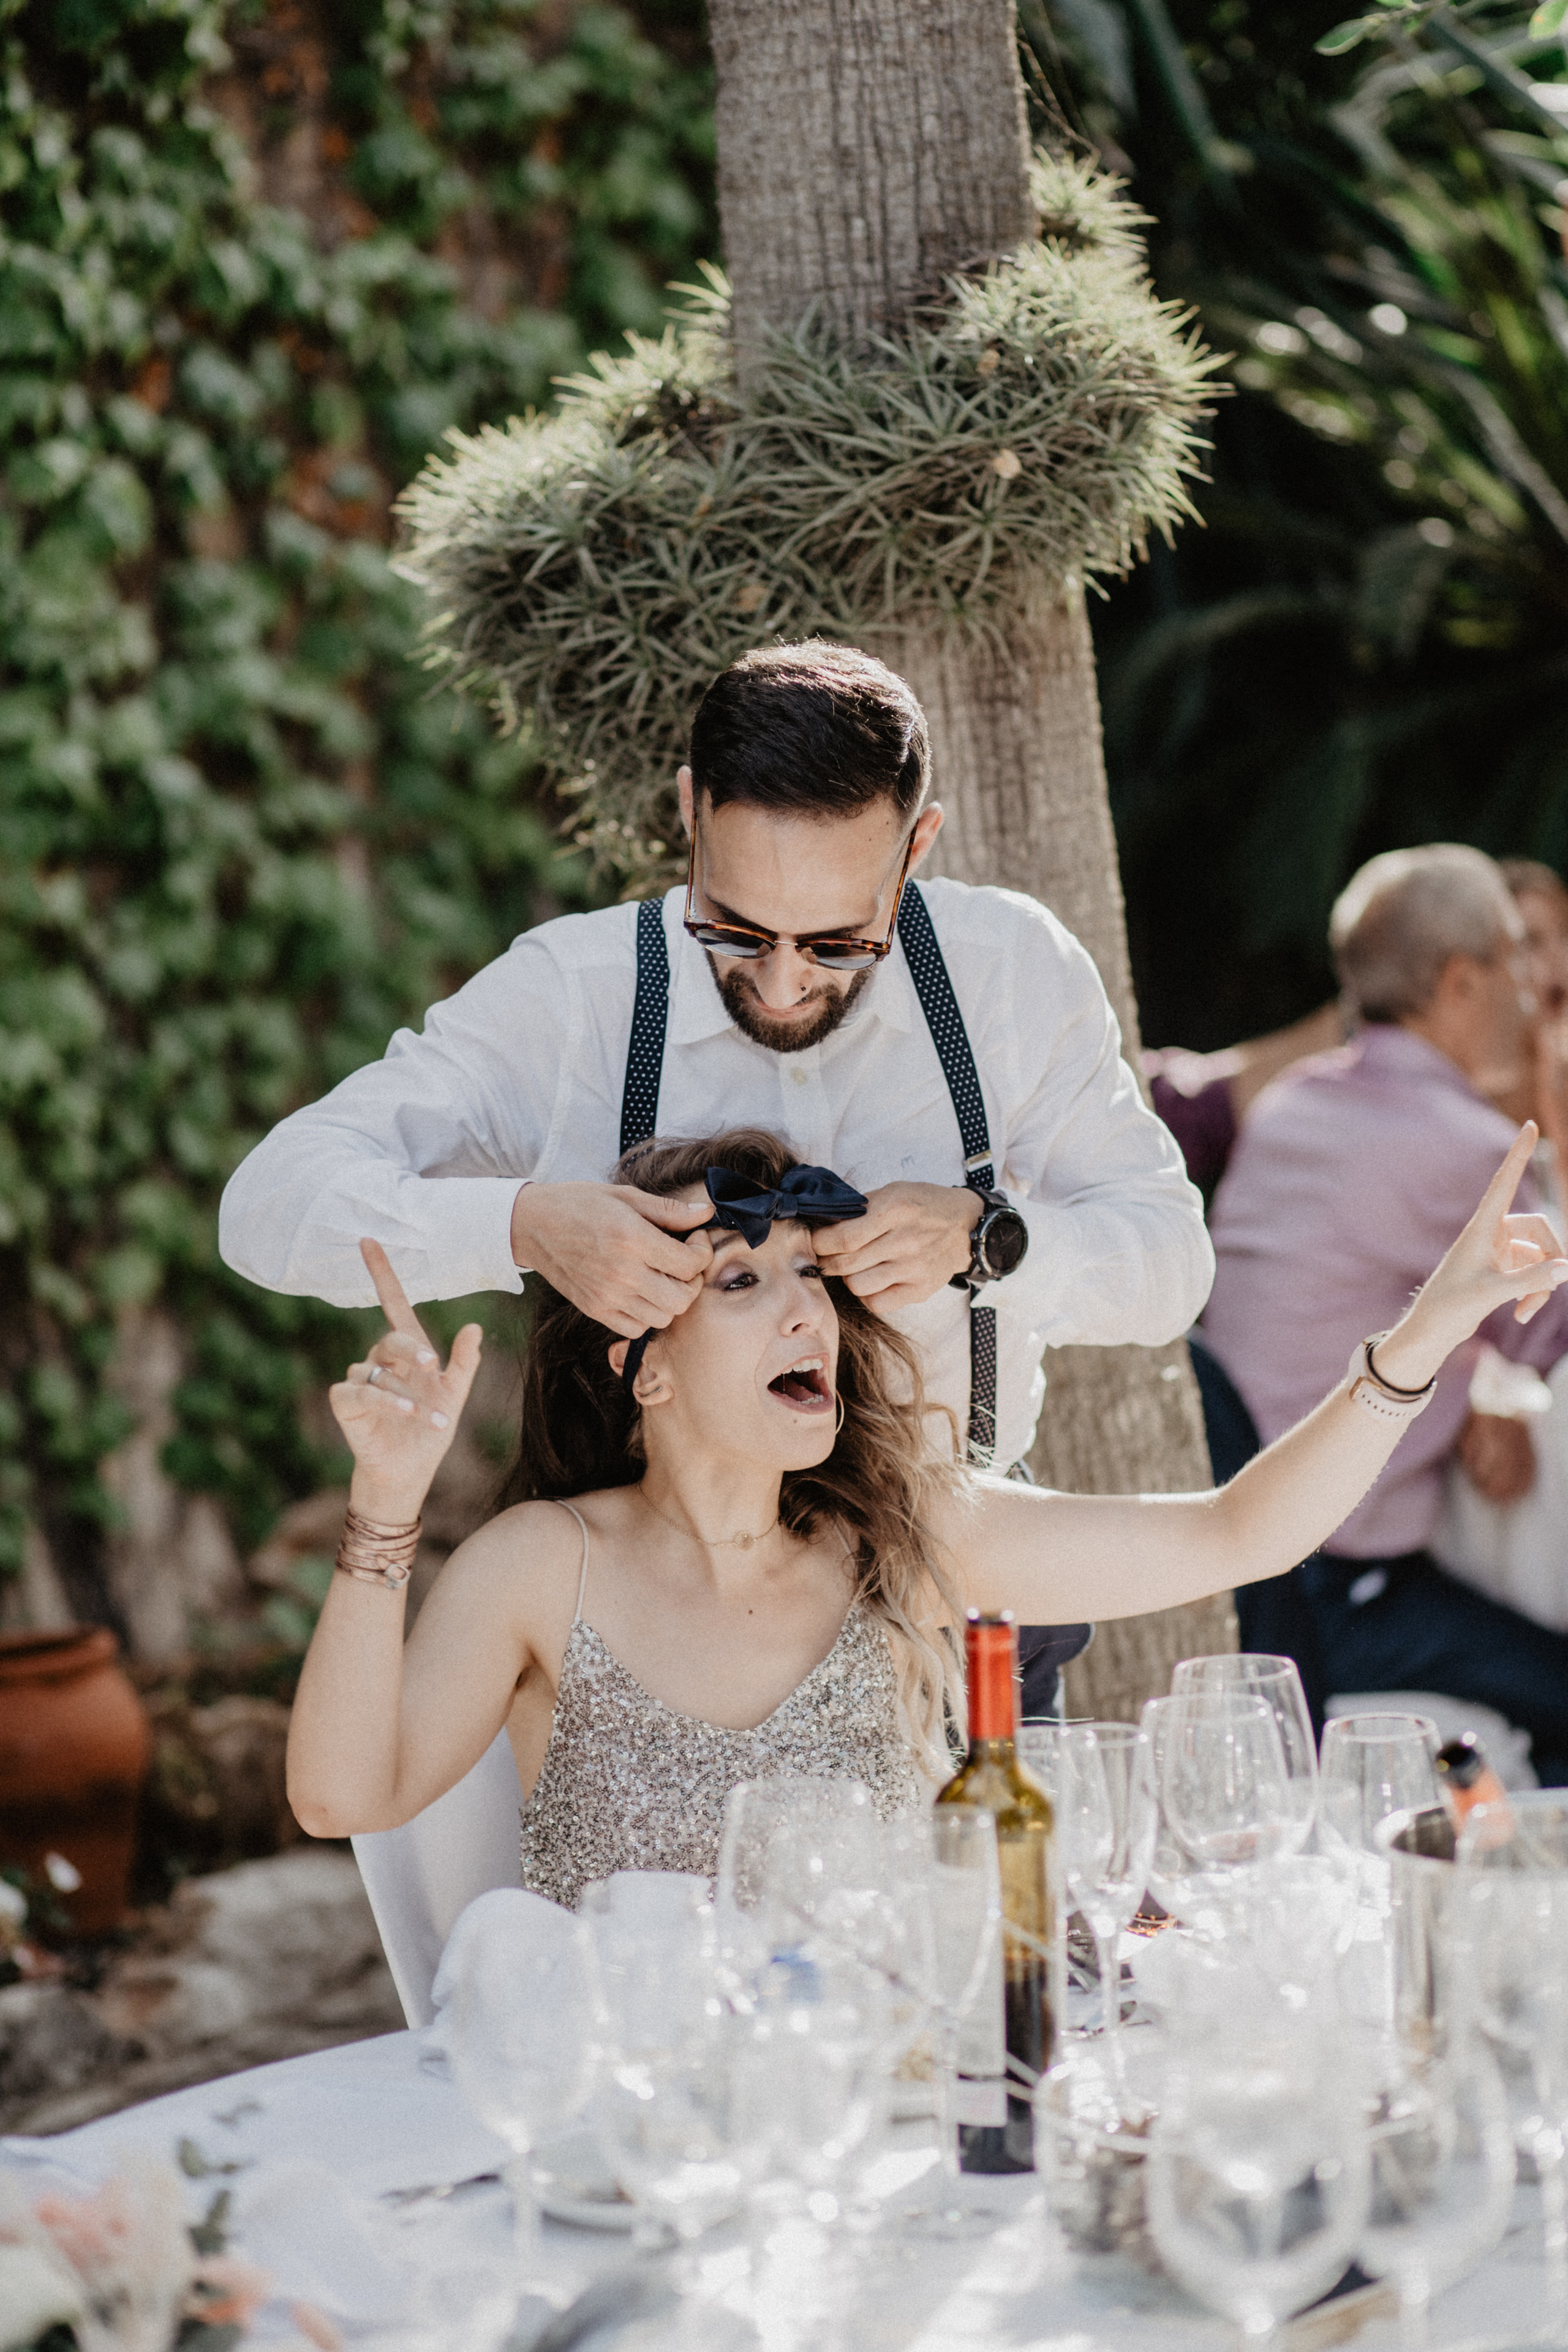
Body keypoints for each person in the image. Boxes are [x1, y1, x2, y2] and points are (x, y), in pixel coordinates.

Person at [219, 643, 1214, 1714]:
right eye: (736, 930)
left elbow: (1173, 1269)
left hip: (958, 1587)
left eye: (839, 943)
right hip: (659, 1639)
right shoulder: (576, 998)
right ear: (691, 815)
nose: (784, 984)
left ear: (915, 846)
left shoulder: (1012, 974)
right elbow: (270, 1208)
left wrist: (992, 1242)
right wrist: (521, 1226)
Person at [284, 1120, 1564, 1904]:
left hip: (885, 2127)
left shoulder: (905, 1537)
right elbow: (342, 1798)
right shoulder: (537, 1567)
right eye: (742, 1281)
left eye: (809, 1277)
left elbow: (1238, 1534)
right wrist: (384, 1507)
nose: (804, 1313)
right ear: (643, 1365)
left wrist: (1434, 1323)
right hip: (634, 2154)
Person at [1202, 845, 1568, 1779]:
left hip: (1235, 1563)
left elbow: (1349, 1287)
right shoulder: (1465, 1147)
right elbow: (1555, 1331)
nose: (1531, 996)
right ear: (1460, 981)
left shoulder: (1290, 1107)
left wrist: (1476, 1374)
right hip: (1334, 1595)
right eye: (1514, 964)